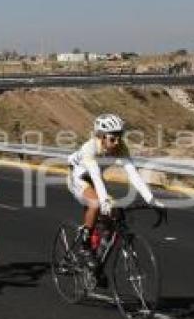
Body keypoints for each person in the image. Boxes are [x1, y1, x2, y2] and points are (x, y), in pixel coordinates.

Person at [67, 113, 162, 266]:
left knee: (114, 219)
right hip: (79, 177)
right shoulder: (89, 149)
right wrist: (104, 201)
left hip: (95, 177)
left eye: (120, 137)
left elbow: (134, 175)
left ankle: (97, 265)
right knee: (96, 203)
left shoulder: (121, 148)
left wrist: (151, 199)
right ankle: (85, 247)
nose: (117, 142)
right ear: (101, 136)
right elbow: (96, 177)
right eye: (113, 138)